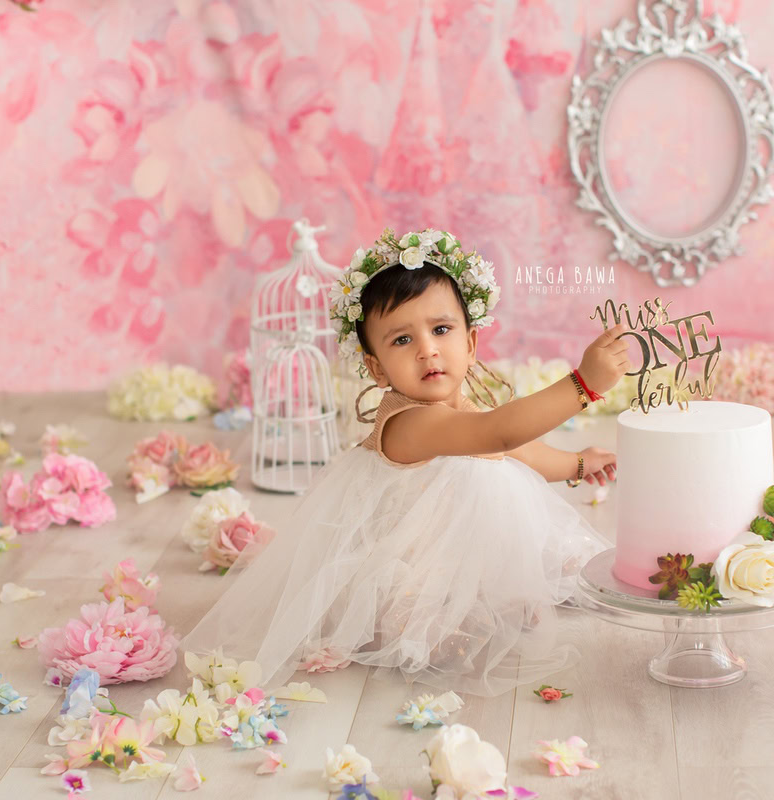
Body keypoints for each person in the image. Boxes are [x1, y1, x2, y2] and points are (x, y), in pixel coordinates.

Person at [180, 228, 632, 697]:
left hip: (456, 547)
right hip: (407, 564)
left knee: (558, 564)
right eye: (401, 340)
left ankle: (488, 595)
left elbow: (517, 449)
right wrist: (583, 385)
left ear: (472, 342)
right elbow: (501, 431)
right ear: (377, 369)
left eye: (441, 330)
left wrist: (577, 463)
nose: (427, 349)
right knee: (421, 628)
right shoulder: (410, 423)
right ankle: (434, 622)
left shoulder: (462, 414)